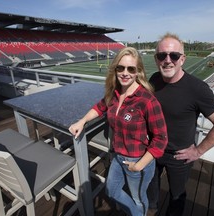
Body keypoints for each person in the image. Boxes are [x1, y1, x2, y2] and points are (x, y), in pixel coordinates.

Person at [69, 47, 168, 216]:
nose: (125, 73)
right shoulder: (114, 93)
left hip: (138, 159)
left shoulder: (147, 100)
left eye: (131, 69)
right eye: (120, 68)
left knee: (138, 198)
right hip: (118, 155)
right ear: (115, 70)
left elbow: (161, 139)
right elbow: (100, 107)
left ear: (138, 72)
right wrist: (83, 120)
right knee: (111, 191)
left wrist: (139, 166)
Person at [147, 33, 214, 216]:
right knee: (150, 191)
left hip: (179, 156)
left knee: (177, 197)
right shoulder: (153, 79)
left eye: (174, 56)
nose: (167, 60)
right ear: (156, 59)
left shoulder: (197, 88)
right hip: (153, 150)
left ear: (182, 59)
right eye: (162, 55)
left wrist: (198, 151)